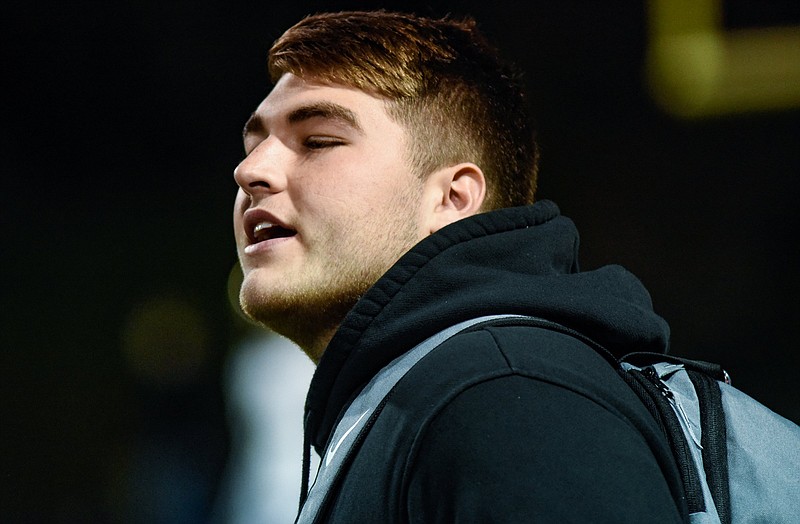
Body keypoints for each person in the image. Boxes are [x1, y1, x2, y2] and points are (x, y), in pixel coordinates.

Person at [232, 10, 686, 523]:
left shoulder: (508, 395)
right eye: (254, 146)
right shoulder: (437, 394)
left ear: (452, 198)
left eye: (318, 141)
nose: (250, 170)